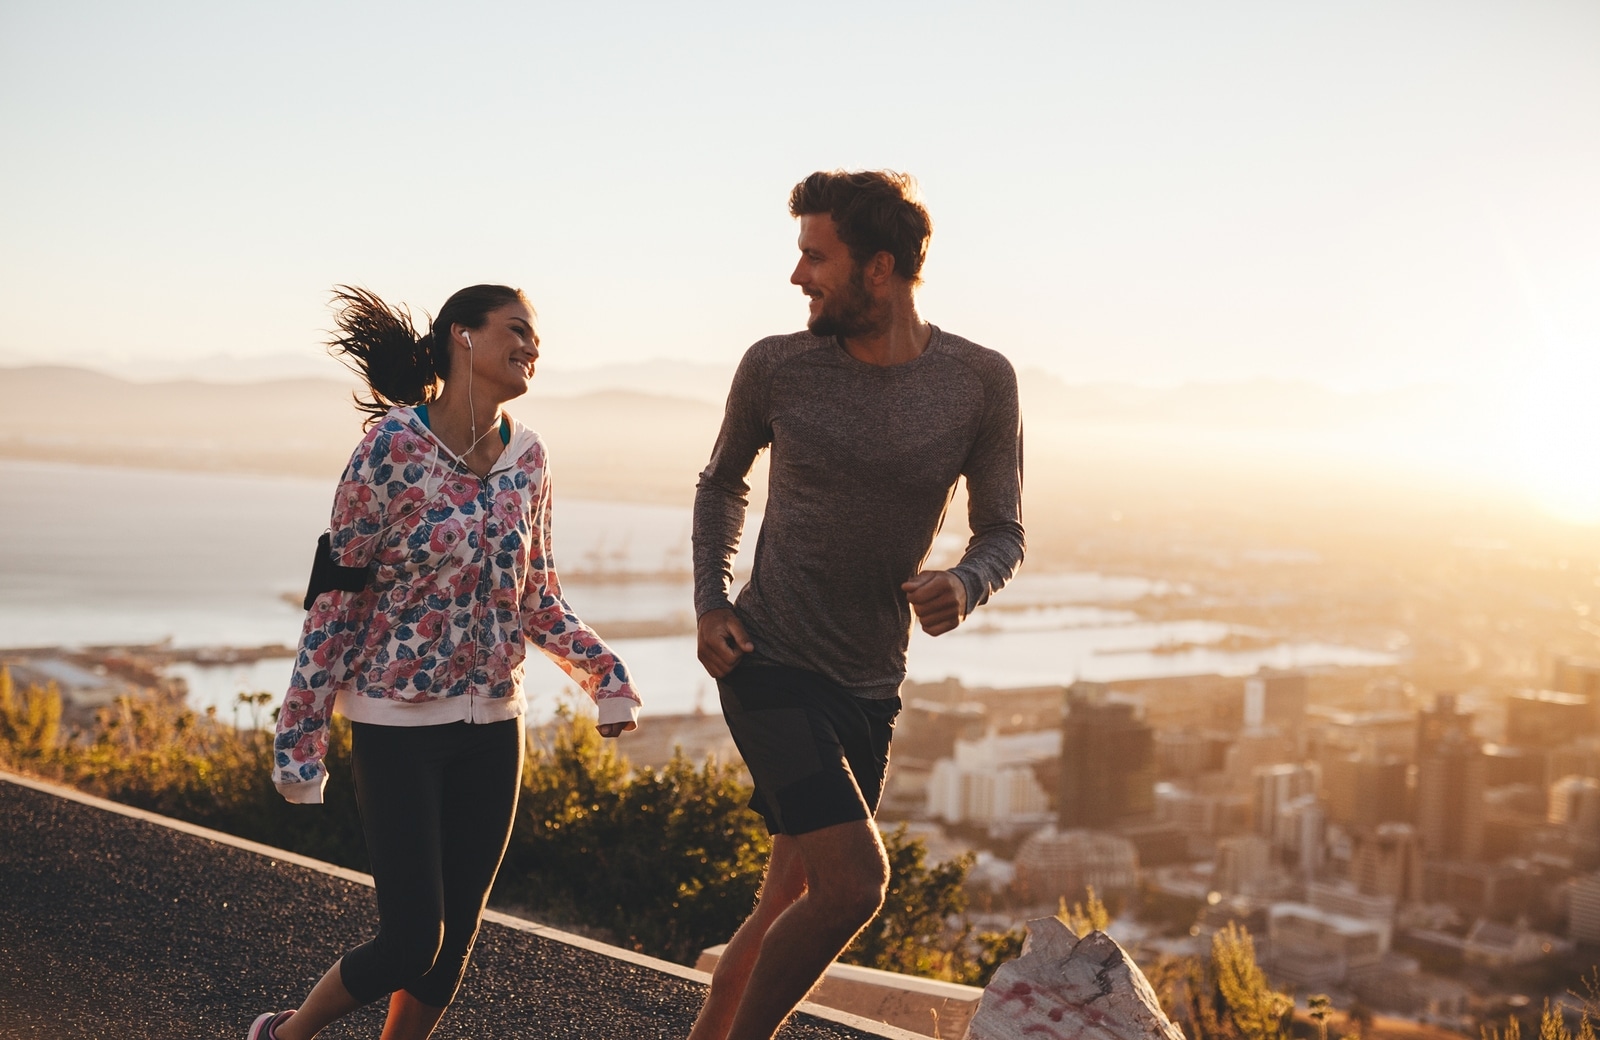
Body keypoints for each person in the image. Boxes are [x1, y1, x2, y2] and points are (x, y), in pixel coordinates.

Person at [249, 284, 640, 1040]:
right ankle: (286, 1036)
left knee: (450, 949)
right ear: (463, 337)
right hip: (397, 725)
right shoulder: (391, 447)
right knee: (409, 939)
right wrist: (301, 736)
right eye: (517, 330)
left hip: (496, 727)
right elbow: (337, 596)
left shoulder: (531, 458)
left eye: (537, 337)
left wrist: (607, 679)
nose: (533, 346)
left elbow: (541, 597)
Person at [687, 171, 1025, 1040]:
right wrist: (710, 600)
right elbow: (723, 483)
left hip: (869, 682)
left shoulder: (980, 381)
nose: (798, 276)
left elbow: (1003, 532)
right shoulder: (777, 365)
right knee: (854, 887)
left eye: (815, 256)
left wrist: (965, 581)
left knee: (787, 898)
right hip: (765, 660)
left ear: (880, 270)